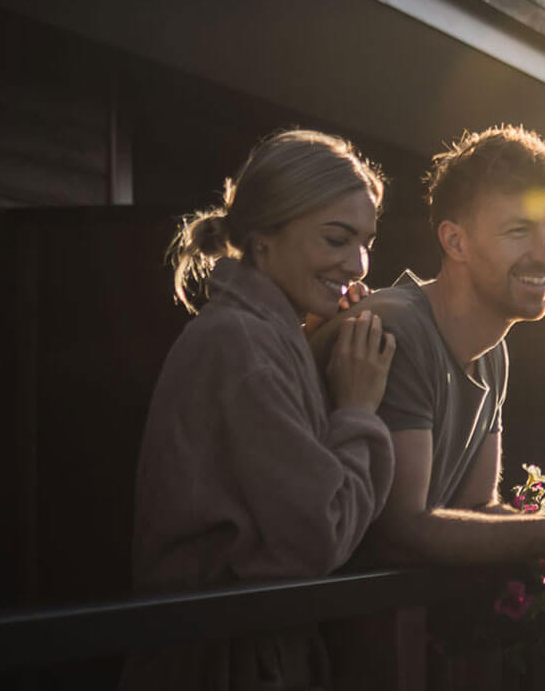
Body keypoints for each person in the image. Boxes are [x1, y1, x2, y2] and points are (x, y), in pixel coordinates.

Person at [126, 129, 397, 690]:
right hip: (223, 668)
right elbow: (323, 531)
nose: (358, 264)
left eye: (365, 242)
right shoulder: (242, 347)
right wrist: (357, 407)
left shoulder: (261, 338)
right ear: (264, 238)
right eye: (336, 239)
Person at [342, 125, 545, 573]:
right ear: (455, 241)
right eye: (518, 231)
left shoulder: (492, 351)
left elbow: (478, 508)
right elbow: (402, 532)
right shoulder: (399, 331)